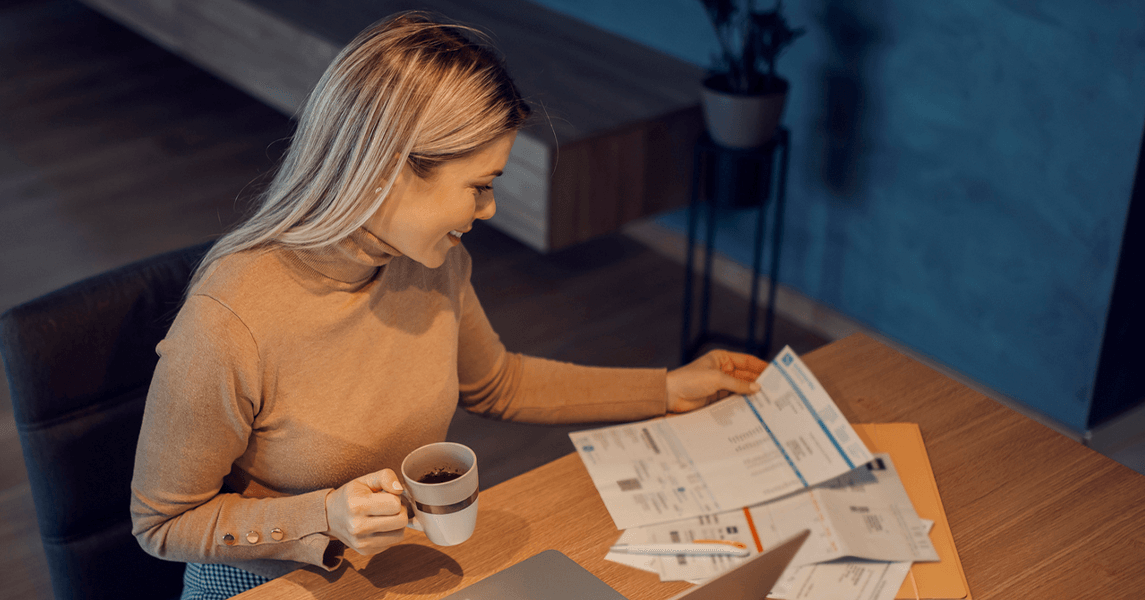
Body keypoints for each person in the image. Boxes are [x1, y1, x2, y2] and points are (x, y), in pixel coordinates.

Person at [129, 11, 768, 600]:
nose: (487, 210)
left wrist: (669, 390)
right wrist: (320, 515)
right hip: (260, 585)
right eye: (480, 186)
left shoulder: (432, 264)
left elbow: (498, 383)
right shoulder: (230, 317)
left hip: (387, 569)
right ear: (392, 171)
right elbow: (163, 522)